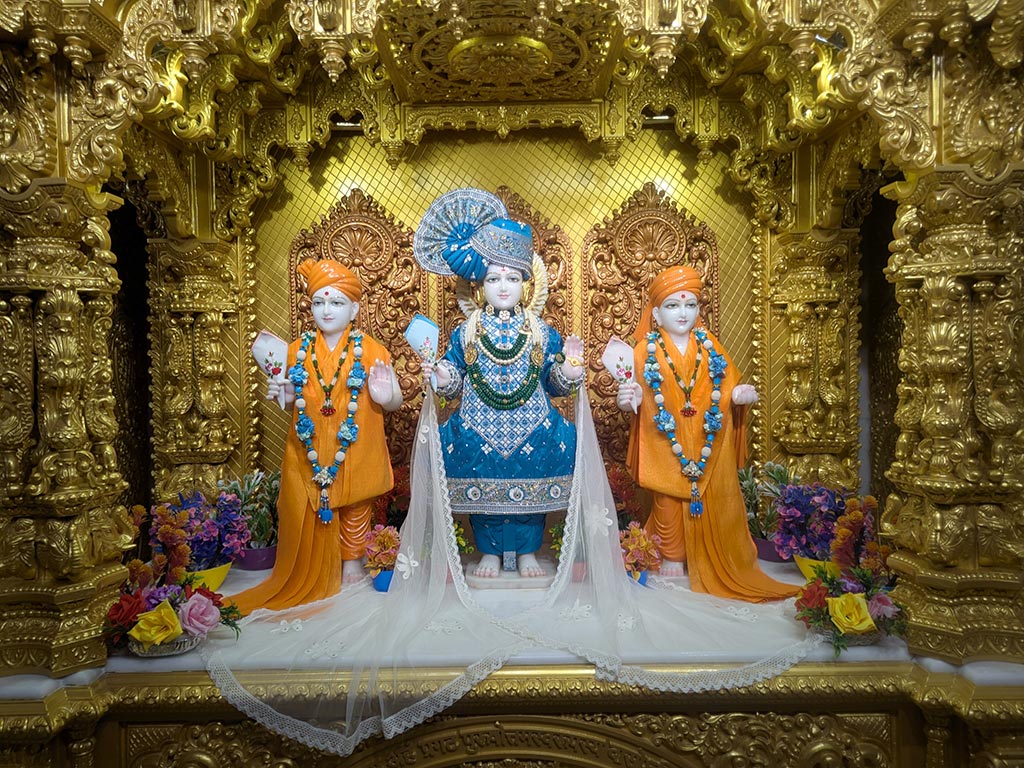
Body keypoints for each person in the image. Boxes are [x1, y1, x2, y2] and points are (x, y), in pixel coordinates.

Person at [413, 188, 585, 578]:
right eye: (494, 278)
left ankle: (528, 550)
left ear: (527, 284)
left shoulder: (541, 331)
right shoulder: (465, 332)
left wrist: (569, 373)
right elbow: (454, 381)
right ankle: (487, 549)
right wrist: (443, 375)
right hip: (479, 425)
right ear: (479, 286)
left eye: (512, 277)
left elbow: (553, 383)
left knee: (533, 478)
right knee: (482, 482)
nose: (503, 286)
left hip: (531, 425)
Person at [230, 258, 402, 615]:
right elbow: (291, 400)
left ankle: (352, 559)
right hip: (308, 446)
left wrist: (387, 395)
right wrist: (284, 394)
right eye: (319, 302)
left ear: (354, 308)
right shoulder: (297, 350)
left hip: (354, 443)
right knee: (310, 498)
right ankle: (312, 567)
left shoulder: (371, 350)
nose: (326, 310)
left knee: (355, 501)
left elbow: (393, 399)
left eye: (336, 302)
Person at [616, 265, 798, 602]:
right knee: (668, 499)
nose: (682, 313)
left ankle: (712, 555)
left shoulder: (710, 346)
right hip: (664, 439)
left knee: (709, 494)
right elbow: (637, 391)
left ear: (700, 309)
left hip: (706, 440)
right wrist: (629, 400)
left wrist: (738, 397)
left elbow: (727, 385)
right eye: (673, 306)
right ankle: (672, 553)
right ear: (655, 313)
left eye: (690, 305)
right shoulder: (645, 351)